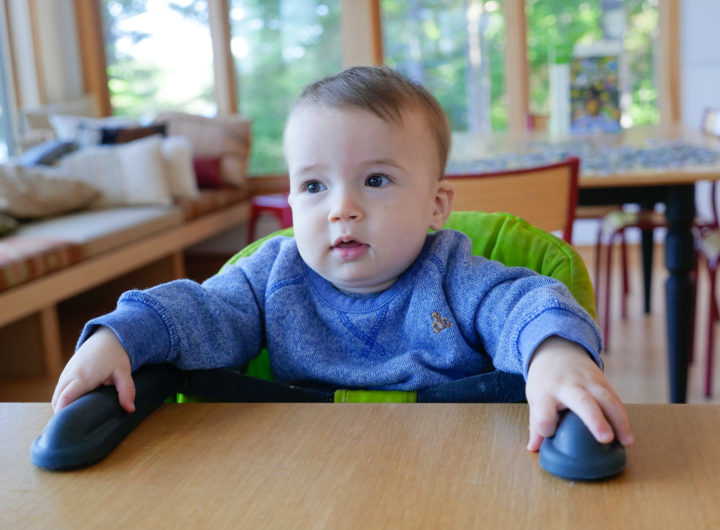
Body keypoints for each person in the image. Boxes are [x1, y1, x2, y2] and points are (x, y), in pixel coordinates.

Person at [52, 66, 633, 452]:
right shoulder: (270, 279)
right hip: (304, 470)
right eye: (313, 187)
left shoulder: (455, 276)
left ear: (436, 205)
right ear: (290, 202)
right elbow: (197, 311)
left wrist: (553, 354)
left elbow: (524, 304)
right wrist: (120, 338)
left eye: (375, 179)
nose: (342, 209)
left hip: (454, 465)